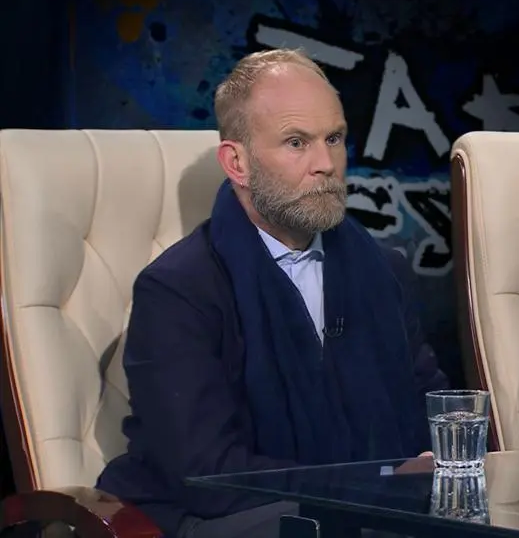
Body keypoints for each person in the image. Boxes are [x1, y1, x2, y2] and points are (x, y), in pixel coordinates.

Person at [96, 49, 448, 538]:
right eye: (296, 142)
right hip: (221, 518)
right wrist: (375, 488)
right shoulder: (177, 290)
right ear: (237, 163)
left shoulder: (381, 269)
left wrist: (442, 464)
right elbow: (207, 474)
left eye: (334, 138)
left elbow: (432, 407)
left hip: (364, 512)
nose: (326, 164)